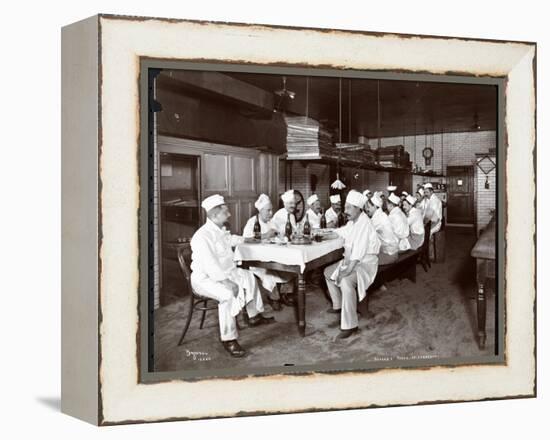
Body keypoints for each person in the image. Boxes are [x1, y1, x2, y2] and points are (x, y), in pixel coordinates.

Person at [190, 194, 274, 358]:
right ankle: (229, 339)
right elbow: (210, 264)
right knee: (228, 295)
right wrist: (227, 282)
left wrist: (254, 239)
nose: (229, 215)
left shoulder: (219, 229)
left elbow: (233, 239)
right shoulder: (202, 236)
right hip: (204, 279)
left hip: (224, 272)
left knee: (249, 277)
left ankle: (254, 316)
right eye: (226, 212)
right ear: (215, 215)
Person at [323, 190, 381, 339]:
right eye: (345, 207)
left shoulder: (364, 224)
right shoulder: (353, 222)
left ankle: (350, 325)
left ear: (358, 208)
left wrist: (346, 270)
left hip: (366, 263)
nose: (345, 211)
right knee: (328, 272)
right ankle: (339, 305)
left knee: (346, 280)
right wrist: (326, 234)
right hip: (355, 261)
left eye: (349, 208)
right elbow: (342, 231)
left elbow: (358, 254)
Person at [242, 194, 295, 310]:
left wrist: (280, 237)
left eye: (271, 210)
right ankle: (274, 298)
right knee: (268, 275)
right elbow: (245, 241)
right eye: (268, 211)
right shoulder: (252, 223)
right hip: (257, 260)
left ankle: (286, 294)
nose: (271, 213)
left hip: (272, 257)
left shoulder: (271, 222)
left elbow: (279, 236)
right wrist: (266, 235)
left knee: (289, 268)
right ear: (260, 211)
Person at [364, 193, 399, 264]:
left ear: (375, 206)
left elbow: (365, 232)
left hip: (389, 254)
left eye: (368, 207)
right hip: (393, 251)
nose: (366, 209)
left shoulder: (377, 219)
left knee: (363, 262)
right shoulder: (382, 214)